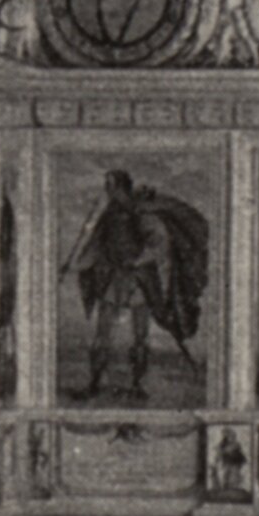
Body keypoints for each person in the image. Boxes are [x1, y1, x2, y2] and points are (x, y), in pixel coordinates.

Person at [68, 167, 209, 403]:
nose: (107, 190)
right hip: (114, 277)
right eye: (106, 185)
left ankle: (137, 385)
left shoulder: (140, 211)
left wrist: (137, 260)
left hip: (138, 280)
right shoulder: (109, 214)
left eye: (110, 185)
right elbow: (96, 244)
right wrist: (75, 265)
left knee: (140, 336)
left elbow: (158, 241)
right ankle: (94, 383)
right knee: (102, 333)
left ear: (121, 187)